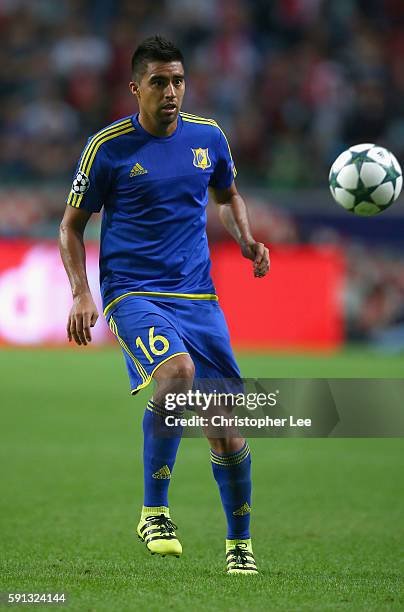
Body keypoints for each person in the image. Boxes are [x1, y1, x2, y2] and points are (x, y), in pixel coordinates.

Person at [59, 35, 270, 575]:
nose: (171, 91)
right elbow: (71, 227)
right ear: (136, 88)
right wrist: (82, 291)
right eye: (158, 82)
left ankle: (239, 546)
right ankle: (154, 510)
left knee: (226, 426)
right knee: (176, 373)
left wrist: (245, 239)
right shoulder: (107, 147)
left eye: (177, 80)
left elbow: (227, 196)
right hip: (133, 292)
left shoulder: (209, 137)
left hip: (199, 297)